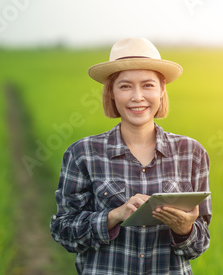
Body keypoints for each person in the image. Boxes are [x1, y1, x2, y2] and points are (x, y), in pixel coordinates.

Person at [50, 38, 212, 275]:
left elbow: (200, 243)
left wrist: (185, 230)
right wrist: (114, 216)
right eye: (125, 86)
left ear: (162, 89)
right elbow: (63, 232)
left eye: (148, 85)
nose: (137, 97)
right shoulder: (82, 153)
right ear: (112, 92)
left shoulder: (191, 153)